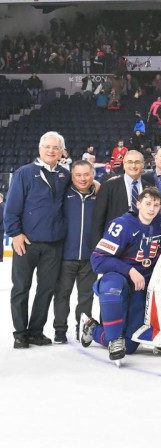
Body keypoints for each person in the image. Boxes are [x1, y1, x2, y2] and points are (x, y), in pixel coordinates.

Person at [81, 187, 161, 364]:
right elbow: (97, 260)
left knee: (130, 345)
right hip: (119, 278)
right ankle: (113, 338)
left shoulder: (160, 223)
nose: (151, 209)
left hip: (141, 285)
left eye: (156, 205)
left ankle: (94, 328)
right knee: (112, 286)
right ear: (138, 204)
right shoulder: (122, 225)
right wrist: (129, 270)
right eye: (147, 204)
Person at [5, 132, 71, 348]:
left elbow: (80, 187)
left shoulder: (64, 175)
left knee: (46, 289)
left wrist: (95, 185)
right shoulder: (24, 173)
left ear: (62, 152)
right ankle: (20, 333)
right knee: (21, 287)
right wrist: (15, 233)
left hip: (53, 245)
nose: (51, 151)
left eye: (56, 148)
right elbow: (12, 208)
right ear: (39, 148)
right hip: (26, 242)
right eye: (47, 147)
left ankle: (35, 331)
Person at [52, 161, 97, 344]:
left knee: (86, 296)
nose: (82, 178)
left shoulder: (99, 195)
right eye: (78, 175)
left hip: (90, 258)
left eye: (86, 174)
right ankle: (60, 330)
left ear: (93, 175)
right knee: (62, 294)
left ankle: (83, 327)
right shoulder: (64, 194)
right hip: (65, 256)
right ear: (72, 176)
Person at [91, 150, 153, 247]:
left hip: (142, 243)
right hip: (114, 243)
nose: (133, 166)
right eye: (129, 162)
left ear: (143, 165)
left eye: (137, 162)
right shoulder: (108, 186)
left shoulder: (150, 188)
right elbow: (98, 219)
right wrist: (97, 248)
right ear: (124, 165)